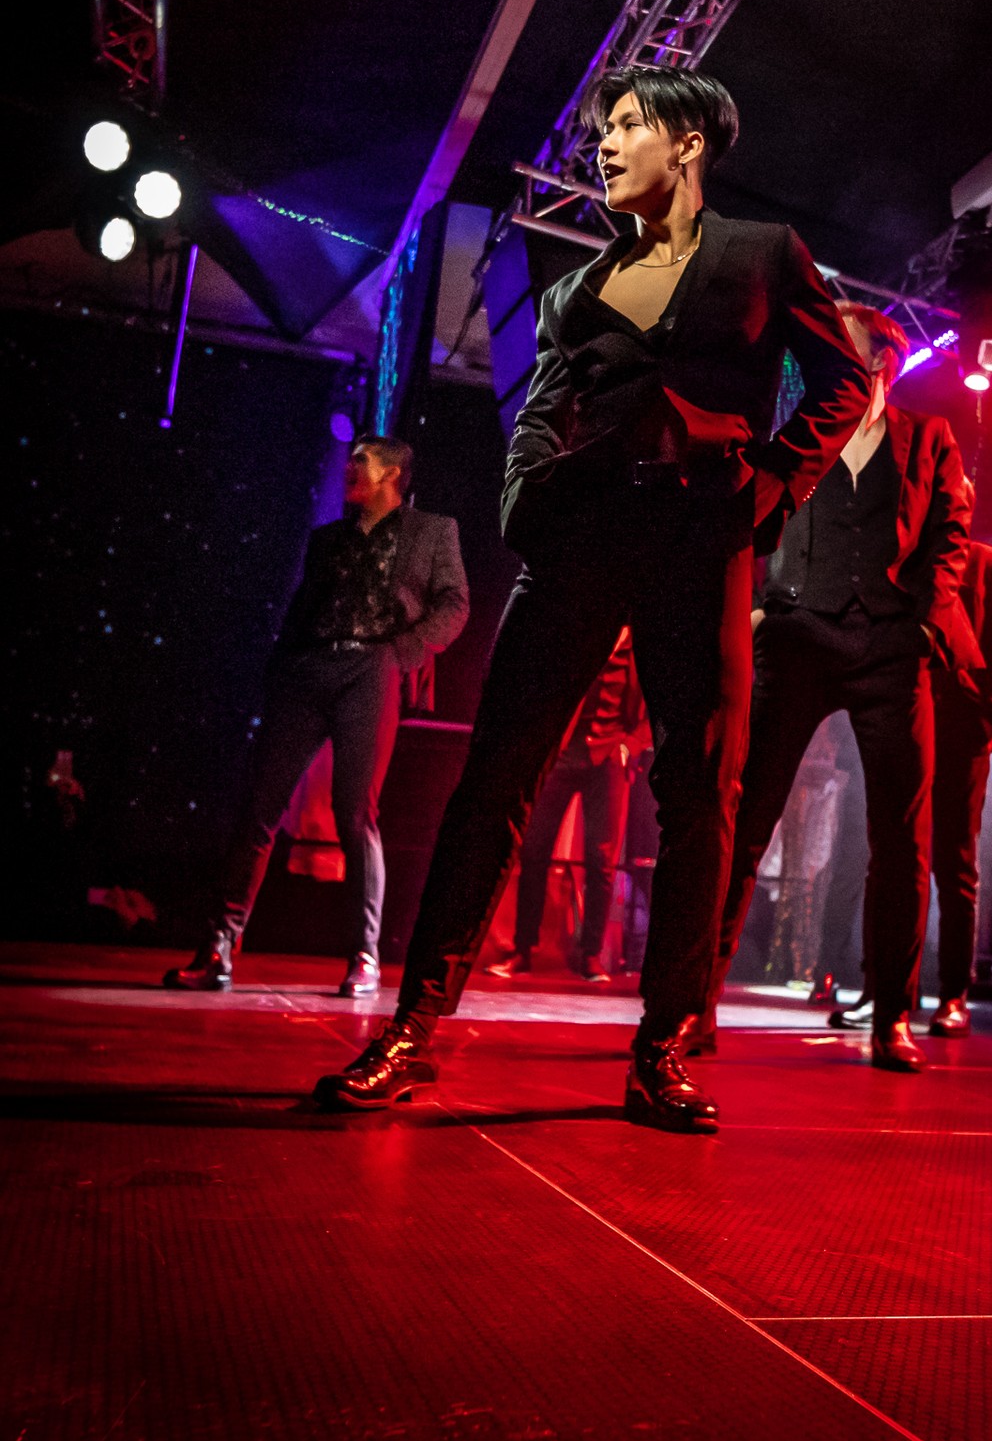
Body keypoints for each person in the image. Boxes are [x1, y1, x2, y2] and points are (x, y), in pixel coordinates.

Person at [313, 64, 869, 1129]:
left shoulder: (764, 254)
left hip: (701, 544)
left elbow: (843, 382)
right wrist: (527, 502)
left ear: (687, 143)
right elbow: (536, 415)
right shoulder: (575, 293)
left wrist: (766, 490)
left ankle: (662, 1050)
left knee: (698, 791)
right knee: (493, 777)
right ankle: (411, 1030)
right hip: (578, 546)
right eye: (603, 129)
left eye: (625, 126)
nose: (604, 146)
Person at [705, 303, 979, 1072]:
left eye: (842, 344)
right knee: (743, 819)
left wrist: (922, 622)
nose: (822, 353)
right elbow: (742, 517)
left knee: (901, 838)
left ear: (881, 362)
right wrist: (754, 606)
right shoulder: (797, 433)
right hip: (796, 636)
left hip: (890, 647)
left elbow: (949, 534)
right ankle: (692, 1002)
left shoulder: (929, 437)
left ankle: (890, 1016)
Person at [163, 436, 469, 998]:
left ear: (392, 472)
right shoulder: (327, 538)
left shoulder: (432, 530)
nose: (349, 467)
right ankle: (219, 947)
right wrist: (282, 668)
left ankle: (364, 956)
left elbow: (455, 604)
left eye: (361, 460)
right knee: (259, 806)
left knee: (354, 813)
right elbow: (303, 608)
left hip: (371, 669)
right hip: (308, 669)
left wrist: (402, 653)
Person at [487, 626, 648, 982]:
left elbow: (657, 704)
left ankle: (590, 955)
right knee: (534, 850)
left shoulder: (640, 646)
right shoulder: (580, 631)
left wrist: (630, 746)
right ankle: (523, 950)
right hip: (561, 755)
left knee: (601, 860)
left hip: (608, 758)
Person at [928, 505, 992, 1036]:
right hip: (912, 718)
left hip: (964, 728)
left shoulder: (987, 562)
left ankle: (953, 995)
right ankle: (884, 988)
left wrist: (989, 720)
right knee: (893, 856)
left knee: (957, 862)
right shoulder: (910, 555)